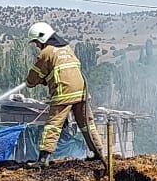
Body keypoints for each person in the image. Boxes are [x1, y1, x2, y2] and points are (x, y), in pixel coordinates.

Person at [23, 22, 105, 163]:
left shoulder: (46, 53)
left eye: (36, 42)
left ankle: (43, 160)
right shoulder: (67, 48)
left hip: (64, 93)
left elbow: (33, 78)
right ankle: (98, 153)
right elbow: (63, 71)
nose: (36, 46)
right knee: (87, 124)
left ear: (42, 38)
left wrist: (30, 82)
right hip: (82, 92)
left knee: (53, 125)